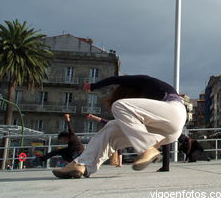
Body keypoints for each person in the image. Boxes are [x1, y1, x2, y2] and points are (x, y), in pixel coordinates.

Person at [52, 75, 187, 179]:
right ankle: (82, 165)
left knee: (119, 105)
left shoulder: (144, 81)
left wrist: (94, 85)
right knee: (111, 128)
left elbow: (118, 79)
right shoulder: (146, 106)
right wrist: (165, 165)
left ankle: (146, 147)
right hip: (167, 132)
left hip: (174, 111)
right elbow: (166, 127)